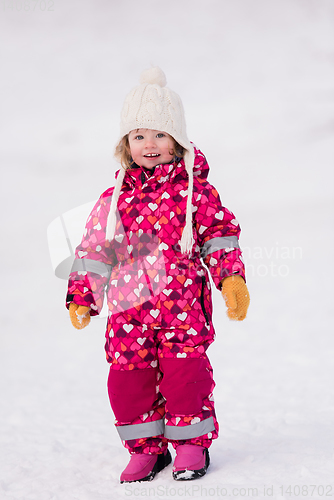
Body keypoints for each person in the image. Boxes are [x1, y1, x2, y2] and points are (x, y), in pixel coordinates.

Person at [66, 67, 250, 483]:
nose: (149, 145)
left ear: (178, 141)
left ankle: (189, 445)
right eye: (139, 136)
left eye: (160, 135)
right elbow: (94, 250)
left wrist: (230, 280)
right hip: (128, 312)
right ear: (125, 145)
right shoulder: (113, 199)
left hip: (182, 307)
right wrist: (82, 295)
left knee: (186, 377)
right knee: (128, 382)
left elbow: (219, 236)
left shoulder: (195, 193)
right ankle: (146, 450)